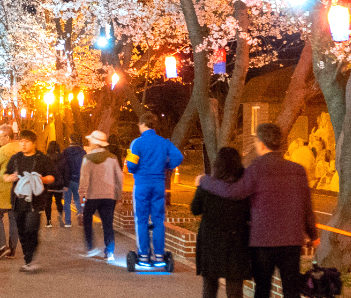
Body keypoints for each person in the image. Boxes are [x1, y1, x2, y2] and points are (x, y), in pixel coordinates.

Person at [196, 123, 318, 298]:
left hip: (263, 241)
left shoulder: (255, 169)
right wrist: (313, 235)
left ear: (261, 144)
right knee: (291, 290)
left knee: (262, 289)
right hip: (291, 241)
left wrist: (204, 180)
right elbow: (307, 206)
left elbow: (232, 191)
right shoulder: (298, 170)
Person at [191, 147, 251, 298]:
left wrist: (198, 187)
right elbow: (250, 215)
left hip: (210, 243)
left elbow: (195, 209)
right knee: (234, 289)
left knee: (209, 287)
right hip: (236, 243)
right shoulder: (245, 189)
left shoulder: (206, 185)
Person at [126, 112, 184, 266]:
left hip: (142, 184)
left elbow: (131, 165)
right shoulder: (164, 142)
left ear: (142, 124)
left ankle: (144, 256)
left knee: (141, 220)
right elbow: (178, 157)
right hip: (159, 184)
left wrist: (137, 169)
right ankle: (159, 256)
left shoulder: (137, 143)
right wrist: (166, 166)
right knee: (158, 220)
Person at [4, 129, 55, 272]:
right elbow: (5, 175)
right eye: (21, 141)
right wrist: (9, 178)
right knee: (21, 230)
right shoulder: (15, 158)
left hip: (35, 201)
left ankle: (31, 259)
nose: (23, 144)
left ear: (34, 143)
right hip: (18, 200)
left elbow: (52, 177)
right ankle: (28, 259)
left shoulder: (42, 159)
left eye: (26, 141)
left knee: (31, 229)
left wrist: (41, 179)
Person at [78, 129, 122, 260]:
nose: (89, 143)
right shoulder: (112, 158)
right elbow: (119, 177)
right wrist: (118, 195)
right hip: (109, 196)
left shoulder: (87, 158)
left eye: (90, 141)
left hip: (92, 196)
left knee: (87, 218)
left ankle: (90, 247)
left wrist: (81, 194)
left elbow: (84, 178)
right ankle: (110, 252)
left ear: (95, 143)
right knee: (108, 223)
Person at [0, 124, 21, 259]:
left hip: (4, 189)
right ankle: (12, 250)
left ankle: (2, 246)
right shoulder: (21, 148)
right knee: (14, 219)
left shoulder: (3, 150)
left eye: (0, 137)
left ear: (7, 136)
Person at [60, 133, 85, 227]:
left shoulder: (65, 152)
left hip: (67, 179)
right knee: (78, 199)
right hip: (78, 178)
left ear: (70, 139)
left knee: (67, 200)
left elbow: (62, 166)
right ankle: (80, 214)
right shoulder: (82, 152)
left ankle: (68, 222)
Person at [43, 141, 66, 227]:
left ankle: (48, 221)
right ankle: (60, 217)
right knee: (59, 202)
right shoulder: (62, 158)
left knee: (47, 203)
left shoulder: (45, 158)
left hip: (48, 184)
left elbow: (42, 171)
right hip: (59, 184)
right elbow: (65, 171)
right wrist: (65, 183)